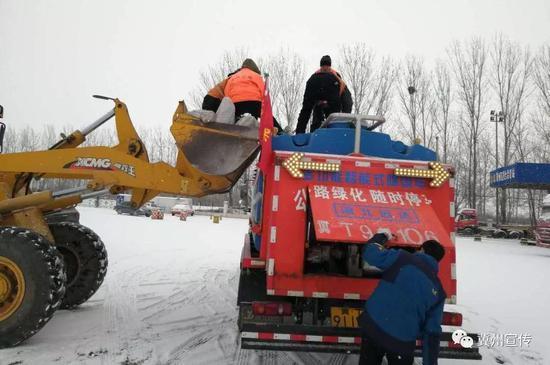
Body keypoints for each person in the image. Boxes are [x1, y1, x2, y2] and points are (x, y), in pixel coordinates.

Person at [359, 232, 446, 365]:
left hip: (374, 328)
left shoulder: (402, 258)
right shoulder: (439, 291)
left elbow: (370, 253)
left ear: (422, 250)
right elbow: (432, 332)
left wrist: (382, 236)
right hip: (401, 343)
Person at [296, 55, 353, 134]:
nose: (325, 69)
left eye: (327, 68)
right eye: (324, 68)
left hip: (329, 94)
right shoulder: (317, 79)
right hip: (324, 95)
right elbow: (347, 102)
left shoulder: (332, 77)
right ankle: (315, 130)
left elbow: (343, 103)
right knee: (325, 112)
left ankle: (303, 132)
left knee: (309, 110)